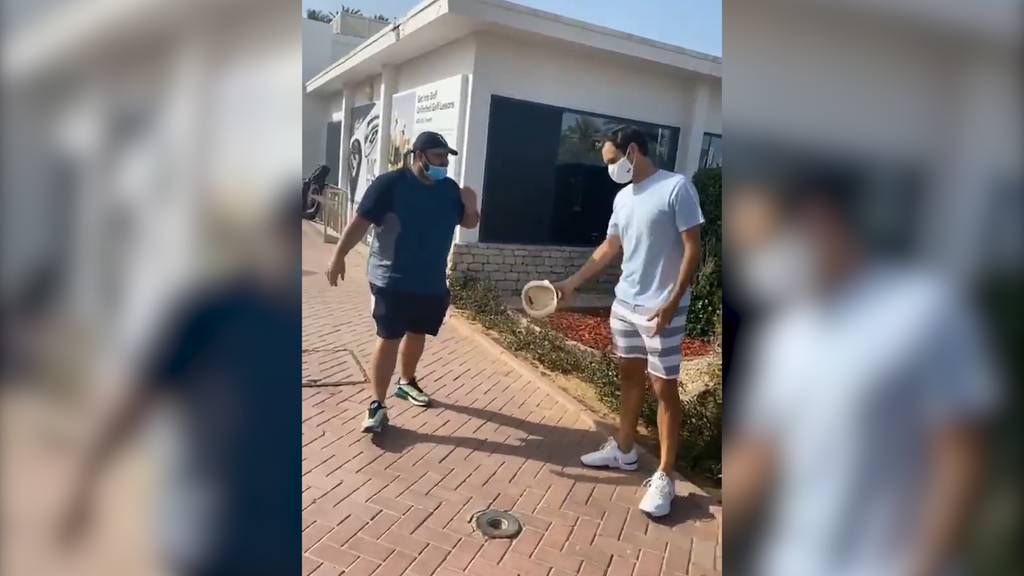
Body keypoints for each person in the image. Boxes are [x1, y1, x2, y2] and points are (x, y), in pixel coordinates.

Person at [724, 170, 997, 576]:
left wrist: (924, 563)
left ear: (822, 222)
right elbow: (761, 451)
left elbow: (961, 454)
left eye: (767, 241)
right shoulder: (784, 337)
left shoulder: (923, 308)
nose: (760, 260)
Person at [553, 127, 704, 517]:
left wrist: (672, 301)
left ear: (632, 151)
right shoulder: (623, 198)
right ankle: (624, 450)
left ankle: (665, 476)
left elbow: (693, 249)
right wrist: (571, 283)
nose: (609, 168)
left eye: (611, 160)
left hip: (662, 308)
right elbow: (610, 247)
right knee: (629, 377)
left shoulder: (676, 188)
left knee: (664, 388)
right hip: (625, 305)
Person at [326, 131, 480, 433]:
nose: (444, 163)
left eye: (447, 157)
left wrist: (471, 203)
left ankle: (407, 382)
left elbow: (469, 221)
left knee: (418, 332)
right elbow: (360, 223)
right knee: (389, 337)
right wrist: (339, 255)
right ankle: (377, 404)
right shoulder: (390, 184)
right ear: (419, 156)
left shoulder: (450, 189)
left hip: (430, 281)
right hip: (391, 279)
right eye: (438, 156)